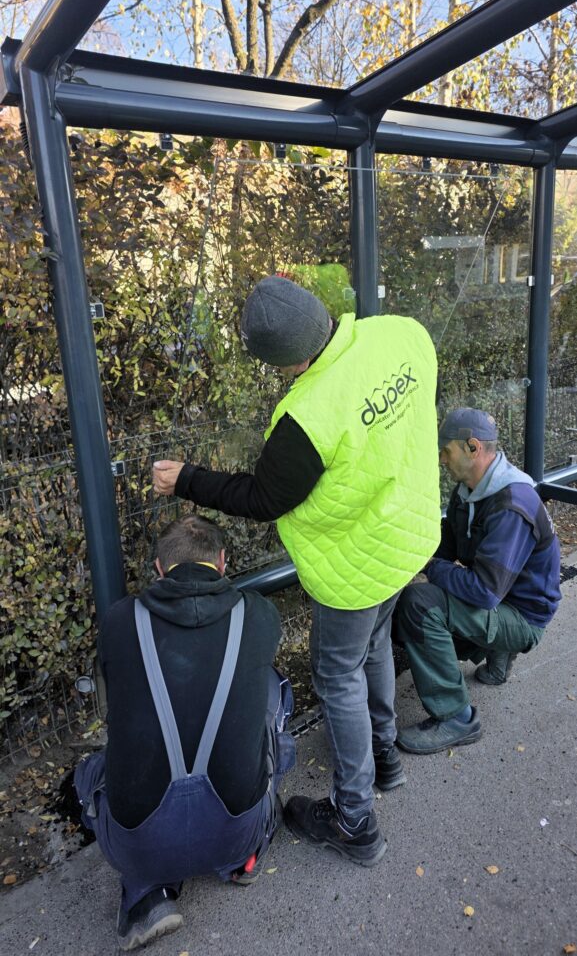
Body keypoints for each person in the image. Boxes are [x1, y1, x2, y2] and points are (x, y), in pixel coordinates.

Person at [153, 275, 440, 867]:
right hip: (407, 540)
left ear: (290, 359)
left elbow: (263, 498)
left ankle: (355, 818)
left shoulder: (306, 417)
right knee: (376, 646)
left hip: (355, 568)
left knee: (338, 675)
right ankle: (384, 758)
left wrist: (185, 479)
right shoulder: (402, 336)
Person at [74, 514, 294, 951]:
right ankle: (243, 862)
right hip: (237, 831)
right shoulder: (259, 615)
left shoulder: (119, 623)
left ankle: (147, 894)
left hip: (137, 846)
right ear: (224, 562)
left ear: (159, 568)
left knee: (89, 773)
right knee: (273, 691)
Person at [395, 407, 561, 755]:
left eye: (446, 451)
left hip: (523, 617)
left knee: (418, 606)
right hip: (506, 597)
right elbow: (448, 546)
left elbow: (484, 591)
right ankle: (499, 657)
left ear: (472, 447)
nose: (441, 460)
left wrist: (428, 570)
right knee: (421, 602)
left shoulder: (512, 504)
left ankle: (456, 717)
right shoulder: (468, 491)